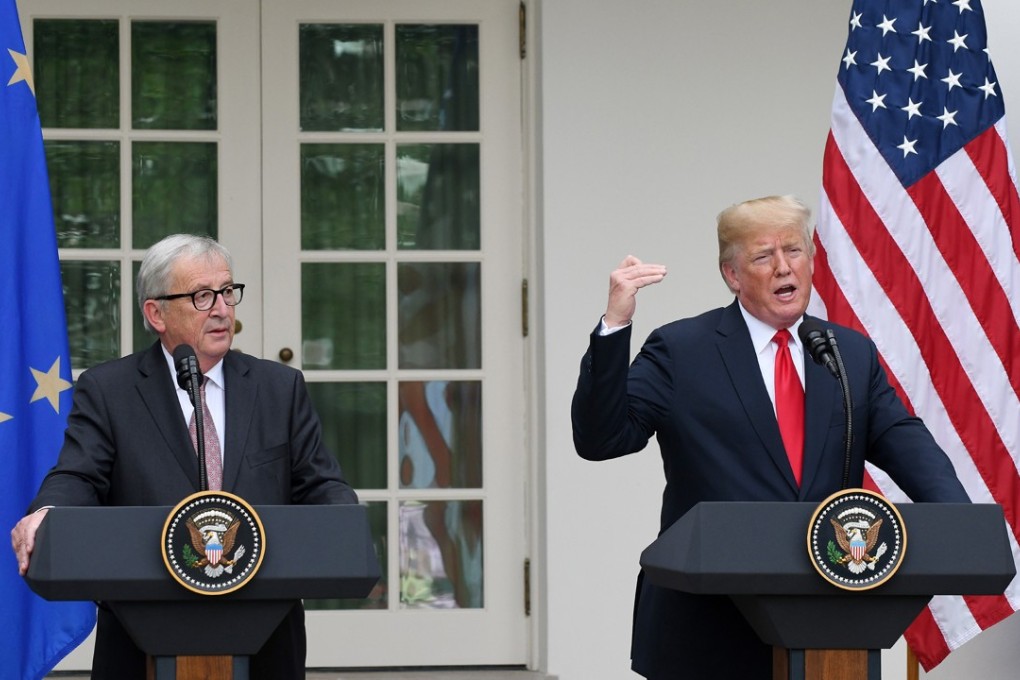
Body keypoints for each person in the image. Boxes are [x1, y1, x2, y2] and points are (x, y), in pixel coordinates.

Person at [571, 195, 970, 679]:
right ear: (732, 275)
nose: (784, 267)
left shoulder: (846, 354)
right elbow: (602, 438)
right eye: (764, 256)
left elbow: (904, 441)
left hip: (828, 624)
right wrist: (616, 325)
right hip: (707, 627)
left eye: (794, 251)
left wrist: (960, 527)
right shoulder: (682, 351)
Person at [10, 234, 358, 680]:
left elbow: (319, 482)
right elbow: (79, 475)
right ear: (156, 313)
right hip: (142, 637)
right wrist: (49, 511)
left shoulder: (279, 388)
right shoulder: (109, 391)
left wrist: (344, 525)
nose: (222, 309)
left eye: (228, 292)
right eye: (201, 296)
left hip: (267, 636)